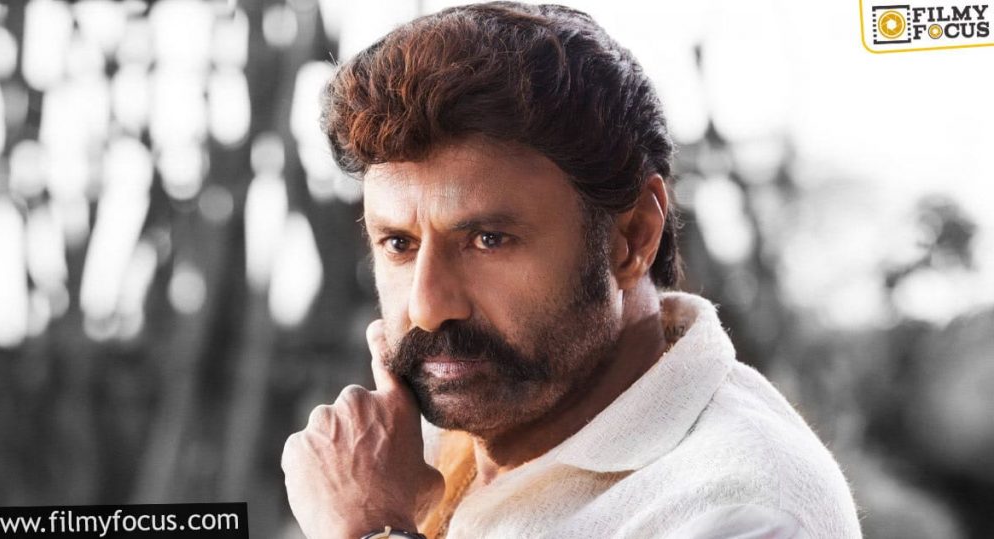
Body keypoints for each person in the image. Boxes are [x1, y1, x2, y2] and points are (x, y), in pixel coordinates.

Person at [281, 2, 862, 538]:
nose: (428, 307)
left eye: (488, 240)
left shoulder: (739, 509)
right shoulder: (412, 452)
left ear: (632, 238)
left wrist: (370, 527)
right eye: (399, 244)